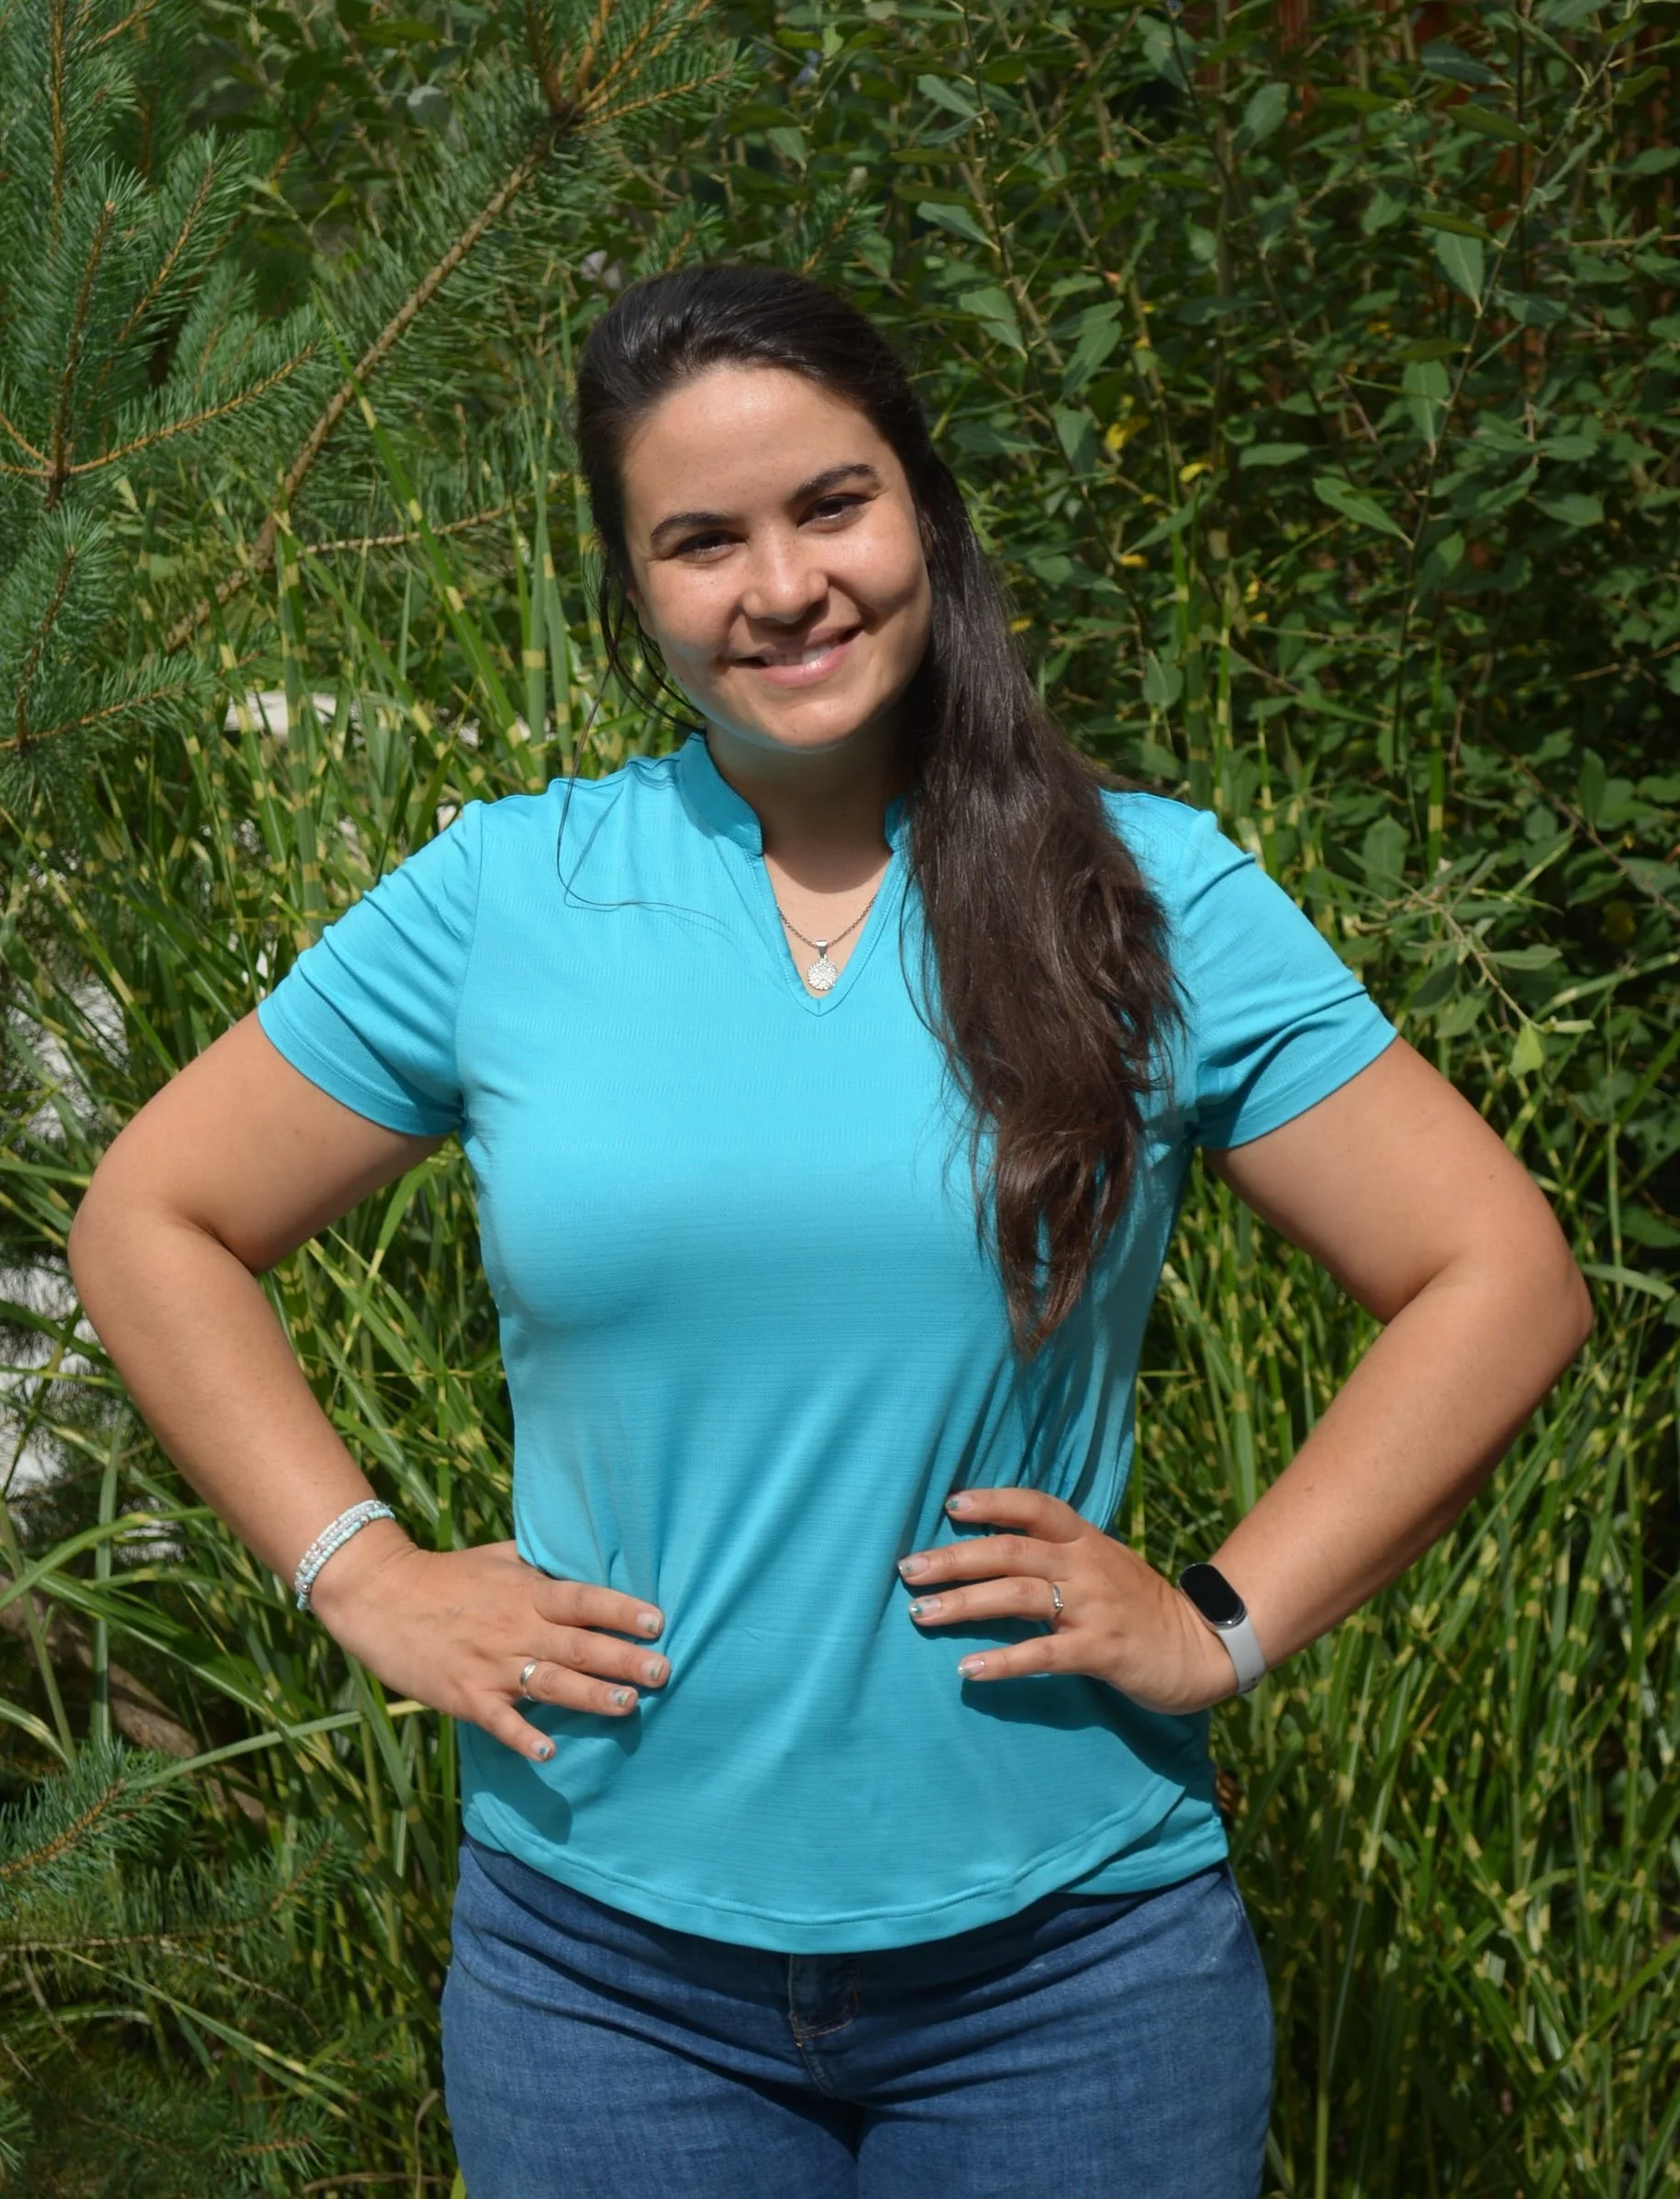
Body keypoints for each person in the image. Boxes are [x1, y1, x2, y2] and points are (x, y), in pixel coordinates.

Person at [68, 262, 1592, 2199]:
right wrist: (358, 1570)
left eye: (830, 505)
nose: (780, 586)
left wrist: (1219, 1615)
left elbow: (1501, 1275)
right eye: (700, 540)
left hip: (1073, 1972)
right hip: (599, 1981)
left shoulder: (1145, 894)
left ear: (926, 515)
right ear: (636, 591)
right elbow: (156, 1214)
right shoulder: (510, 894)